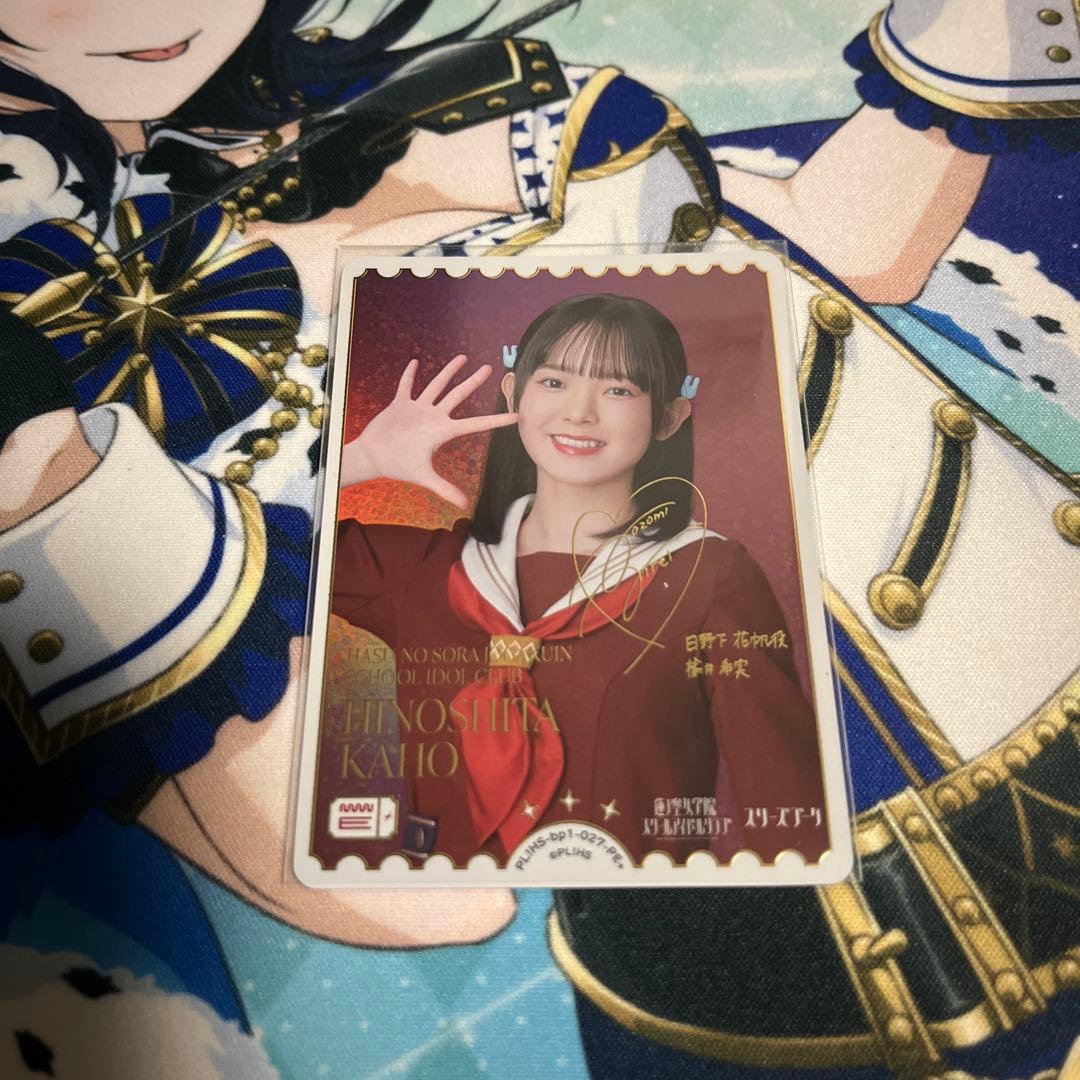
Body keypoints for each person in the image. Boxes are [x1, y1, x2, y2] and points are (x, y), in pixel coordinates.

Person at [0, 0, 1076, 1072]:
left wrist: (987, 27)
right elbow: (426, 890)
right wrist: (49, 481)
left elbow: (851, 247)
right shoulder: (80, 385)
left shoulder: (480, 108)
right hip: (767, 996)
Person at [331, 293, 827, 866]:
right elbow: (264, 554)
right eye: (554, 382)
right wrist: (362, 459)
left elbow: (791, 815)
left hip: (629, 919)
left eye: (618, 390)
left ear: (669, 416)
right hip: (444, 920)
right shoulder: (421, 571)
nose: (579, 413)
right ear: (514, 393)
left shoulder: (709, 577)